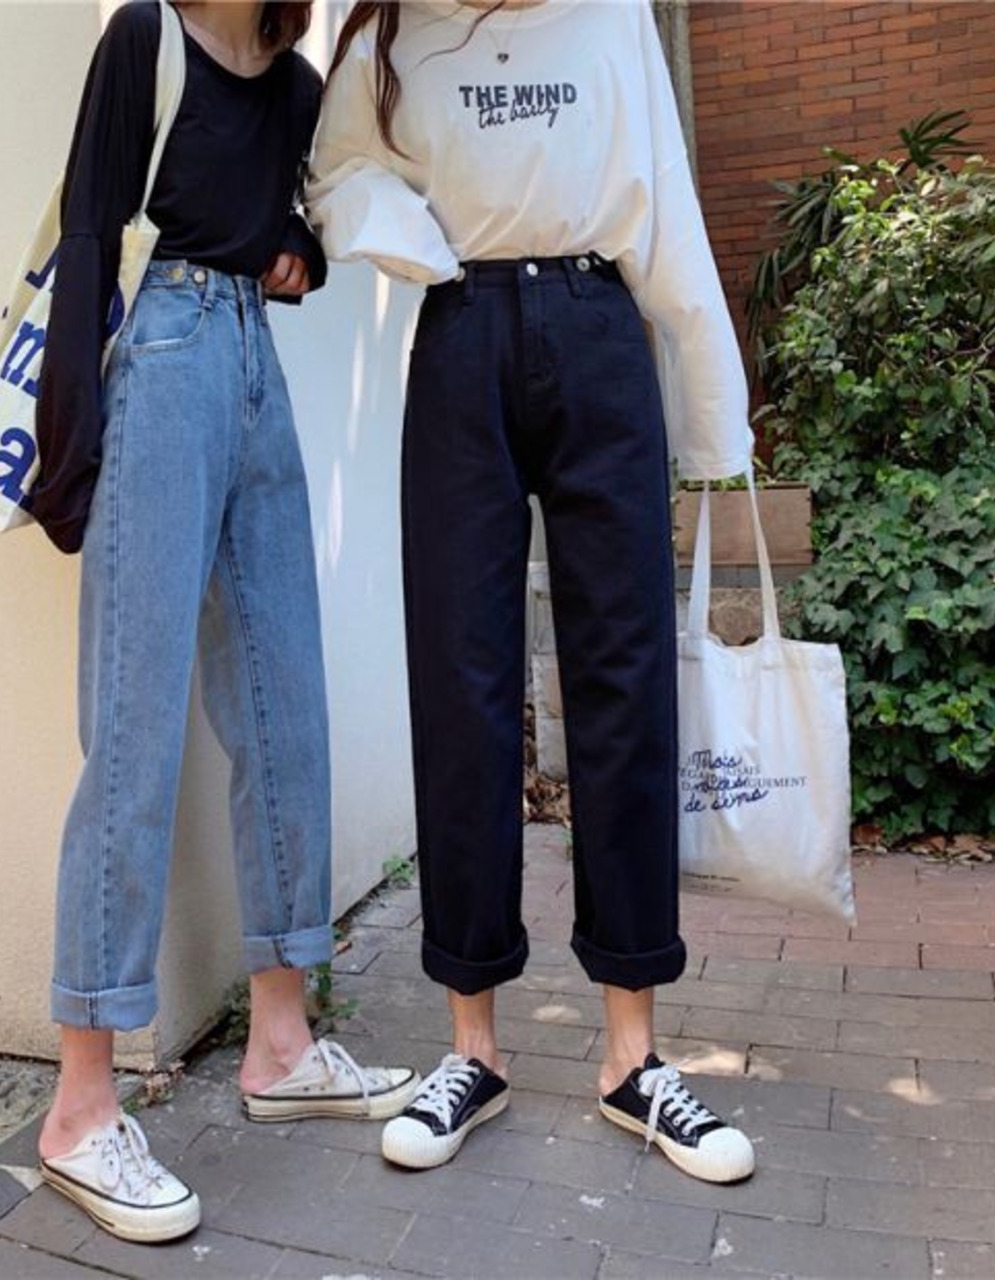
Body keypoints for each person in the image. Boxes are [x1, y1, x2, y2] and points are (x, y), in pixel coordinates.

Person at [307, 0, 756, 1184]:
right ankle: (472, 1047)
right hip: (459, 335)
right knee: (459, 680)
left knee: (623, 678)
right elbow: (336, 170)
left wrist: (715, 416)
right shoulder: (393, 32)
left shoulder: (606, 15)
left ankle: (631, 1054)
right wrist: (415, 244)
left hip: (600, 331)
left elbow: (662, 197)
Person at [30, 0, 418, 1244]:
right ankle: (79, 1108)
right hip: (160, 365)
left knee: (284, 703)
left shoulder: (295, 87)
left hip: (253, 368)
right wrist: (68, 444)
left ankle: (282, 1040)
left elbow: (303, 222)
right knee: (132, 732)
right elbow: (88, 234)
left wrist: (296, 250)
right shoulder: (144, 38)